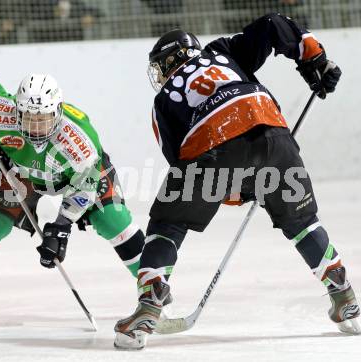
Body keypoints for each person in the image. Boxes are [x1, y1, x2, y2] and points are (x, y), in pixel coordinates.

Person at [113, 13, 359, 349]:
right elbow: (274, 23)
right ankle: (344, 296)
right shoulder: (223, 52)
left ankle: (149, 305)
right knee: (302, 221)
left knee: (168, 221)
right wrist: (313, 59)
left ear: (172, 60)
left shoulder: (163, 99)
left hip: (215, 142)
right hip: (274, 133)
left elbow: (185, 166)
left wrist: (232, 187)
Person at [0, 71, 146, 318]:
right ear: (16, 111)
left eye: (43, 118)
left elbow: (85, 186)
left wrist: (61, 226)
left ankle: (152, 287)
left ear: (57, 111)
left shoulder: (79, 140)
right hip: (23, 171)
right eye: (28, 118)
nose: (35, 127)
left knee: (114, 221)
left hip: (79, 177)